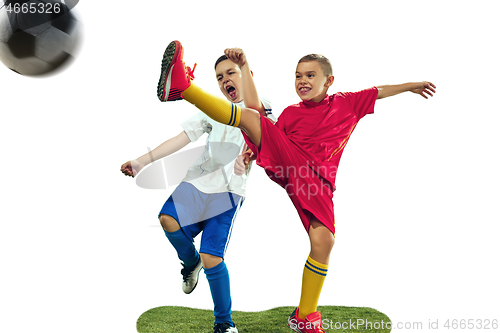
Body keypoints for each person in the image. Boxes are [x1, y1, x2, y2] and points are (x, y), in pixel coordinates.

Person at [157, 40, 436, 333]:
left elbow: (378, 91)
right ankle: (183, 88)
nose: (302, 81)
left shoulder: (347, 102)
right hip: (292, 162)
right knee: (252, 117)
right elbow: (255, 117)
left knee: (324, 242)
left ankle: (305, 316)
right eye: (298, 75)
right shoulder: (290, 114)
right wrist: (245, 67)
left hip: (320, 181)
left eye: (310, 75)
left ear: (329, 81)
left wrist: (411, 86)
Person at [122, 44, 274, 333]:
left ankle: (224, 324)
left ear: (246, 74)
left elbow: (267, 133)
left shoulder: (260, 104)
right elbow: (180, 139)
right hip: (196, 183)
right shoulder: (212, 110)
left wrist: (252, 154)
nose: (225, 79)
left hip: (229, 192)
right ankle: (190, 263)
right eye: (219, 77)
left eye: (231, 72)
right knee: (167, 220)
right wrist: (142, 161)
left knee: (212, 257)